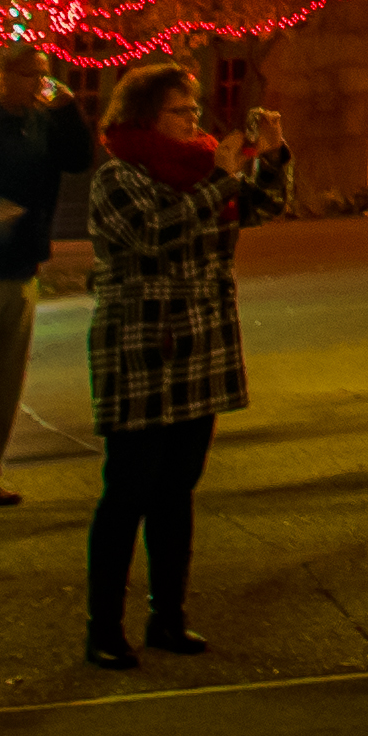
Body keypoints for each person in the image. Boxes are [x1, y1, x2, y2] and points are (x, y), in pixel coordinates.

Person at [81, 62, 269, 669]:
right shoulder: (118, 176)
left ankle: (169, 616)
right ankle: (104, 626)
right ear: (143, 116)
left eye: (195, 110)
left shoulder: (203, 168)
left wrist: (272, 156)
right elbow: (154, 230)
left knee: (177, 489)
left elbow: (260, 207)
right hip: (139, 343)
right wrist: (221, 179)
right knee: (127, 489)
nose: (193, 120)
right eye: (179, 111)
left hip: (201, 341)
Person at [0, 52, 89, 513]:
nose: (40, 84)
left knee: (5, 381)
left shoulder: (44, 123)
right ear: (4, 77)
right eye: (32, 75)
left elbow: (79, 159)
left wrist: (68, 111)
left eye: (46, 75)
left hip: (24, 262)